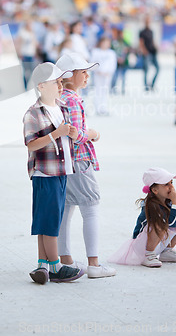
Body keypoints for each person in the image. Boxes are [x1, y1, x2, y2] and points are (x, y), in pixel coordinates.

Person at [55, 53, 116, 279]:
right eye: (83, 72)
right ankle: (94, 264)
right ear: (69, 76)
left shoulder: (60, 96)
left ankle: (66, 259)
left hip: (66, 162)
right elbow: (75, 134)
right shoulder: (73, 99)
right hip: (80, 159)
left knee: (66, 210)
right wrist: (93, 134)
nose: (87, 76)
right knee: (90, 208)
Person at [23, 62, 85, 284]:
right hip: (45, 172)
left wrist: (73, 134)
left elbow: (68, 137)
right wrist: (56, 134)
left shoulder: (62, 108)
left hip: (62, 171)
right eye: (55, 82)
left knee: (47, 219)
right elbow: (31, 145)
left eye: (61, 82)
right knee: (50, 221)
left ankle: (43, 265)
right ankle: (56, 266)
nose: (60, 86)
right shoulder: (33, 113)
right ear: (41, 86)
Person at [108, 167, 176, 268]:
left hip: (157, 240)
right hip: (142, 245)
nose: (172, 187)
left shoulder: (168, 202)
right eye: (166, 184)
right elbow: (170, 224)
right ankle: (148, 255)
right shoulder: (150, 205)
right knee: (160, 225)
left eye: (171, 183)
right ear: (155, 190)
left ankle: (166, 252)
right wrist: (174, 203)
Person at [91, 37, 117, 115]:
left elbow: (113, 64)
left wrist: (109, 72)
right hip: (98, 74)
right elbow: (92, 62)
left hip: (107, 75)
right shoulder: (95, 52)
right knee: (98, 90)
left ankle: (104, 108)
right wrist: (97, 70)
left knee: (105, 90)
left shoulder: (111, 53)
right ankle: (98, 108)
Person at [139, 16, 160, 91]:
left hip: (153, 52)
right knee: (146, 70)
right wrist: (144, 51)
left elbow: (152, 41)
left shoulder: (151, 31)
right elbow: (141, 43)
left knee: (158, 68)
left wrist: (156, 47)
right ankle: (146, 86)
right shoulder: (142, 32)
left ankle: (152, 84)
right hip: (147, 53)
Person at [111, 26, 130, 95]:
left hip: (124, 62)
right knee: (115, 76)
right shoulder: (115, 42)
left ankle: (123, 89)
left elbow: (128, 49)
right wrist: (118, 58)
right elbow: (113, 51)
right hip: (117, 63)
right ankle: (113, 88)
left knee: (123, 77)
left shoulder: (125, 42)